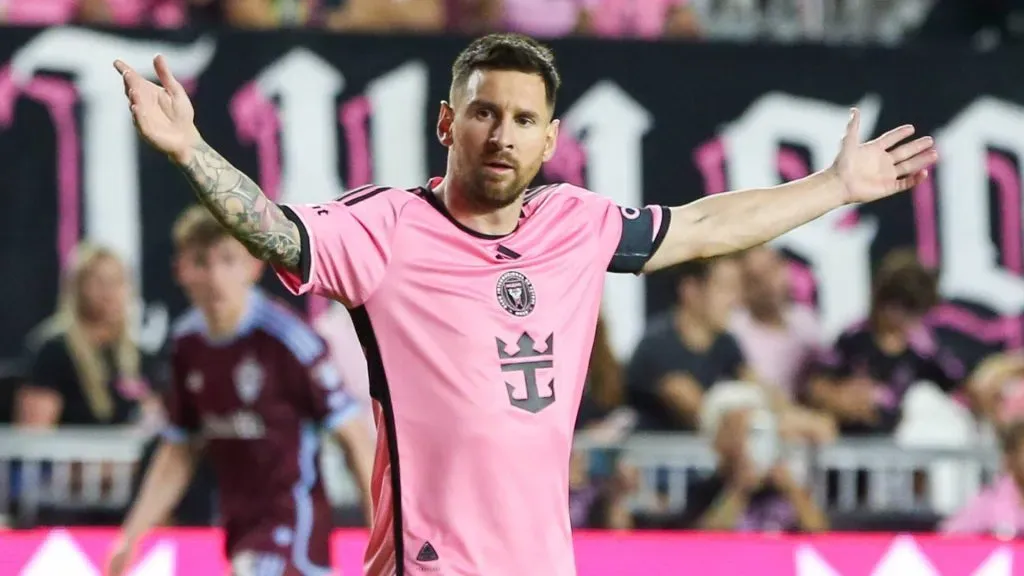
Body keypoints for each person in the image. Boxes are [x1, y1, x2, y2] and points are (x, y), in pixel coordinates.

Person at [113, 32, 937, 575]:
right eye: (483, 112)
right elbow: (276, 234)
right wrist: (191, 149)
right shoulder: (387, 227)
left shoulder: (574, 223)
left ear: (550, 138)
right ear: (447, 122)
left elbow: (703, 225)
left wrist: (833, 187)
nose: (501, 133)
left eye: (522, 119)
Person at [107, 207, 375, 576]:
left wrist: (382, 535)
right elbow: (180, 449)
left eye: (228, 260)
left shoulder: (289, 341)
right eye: (201, 262)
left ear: (254, 266)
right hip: (239, 529)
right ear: (180, 270)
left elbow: (355, 439)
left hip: (293, 528)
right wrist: (131, 537)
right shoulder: (187, 346)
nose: (215, 277)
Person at [18, 243, 159, 430]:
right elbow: (33, 436)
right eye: (100, 282)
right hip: (70, 456)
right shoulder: (53, 351)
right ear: (78, 287)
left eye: (118, 281)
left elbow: (156, 423)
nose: (110, 292)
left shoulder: (140, 358)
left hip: (127, 457)